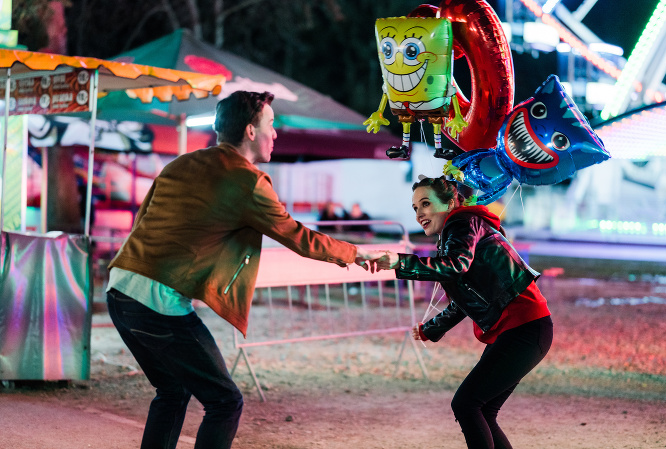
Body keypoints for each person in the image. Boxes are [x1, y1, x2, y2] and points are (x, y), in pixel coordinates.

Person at [105, 91, 376, 449]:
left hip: (120, 289)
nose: (275, 134)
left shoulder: (181, 163)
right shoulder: (248, 180)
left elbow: (143, 221)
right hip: (158, 302)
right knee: (224, 402)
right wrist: (355, 253)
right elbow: (297, 236)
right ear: (250, 131)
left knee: (172, 391)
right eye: (271, 125)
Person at [373, 176, 552, 449]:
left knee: (467, 404)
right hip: (521, 329)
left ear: (450, 203)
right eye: (415, 208)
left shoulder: (463, 223)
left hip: (525, 327)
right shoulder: (458, 231)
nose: (420, 212)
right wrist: (431, 328)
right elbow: (464, 297)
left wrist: (400, 262)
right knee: (482, 410)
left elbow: (456, 266)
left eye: (426, 204)